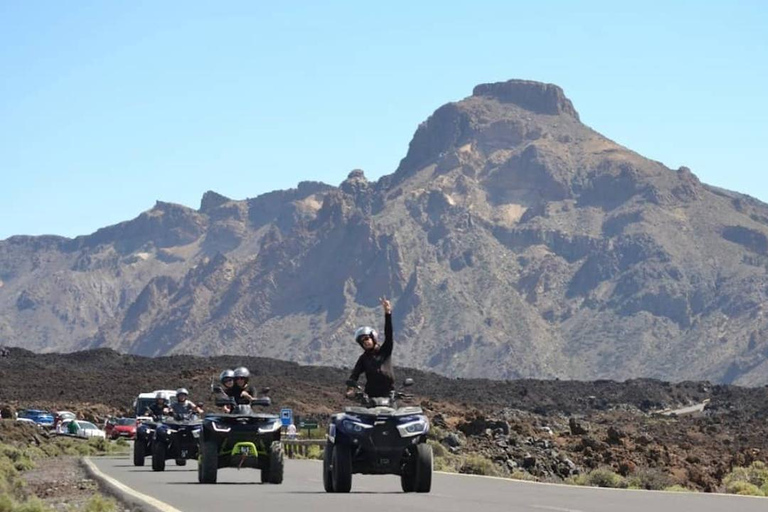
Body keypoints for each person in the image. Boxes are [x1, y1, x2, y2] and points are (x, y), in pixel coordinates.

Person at [347, 297, 394, 399]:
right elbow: (354, 375)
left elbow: (389, 333)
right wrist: (350, 390)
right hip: (370, 397)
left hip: (389, 395)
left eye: (367, 338)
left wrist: (388, 313)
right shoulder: (363, 358)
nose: (366, 342)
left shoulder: (385, 350)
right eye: (362, 341)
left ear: (373, 338)